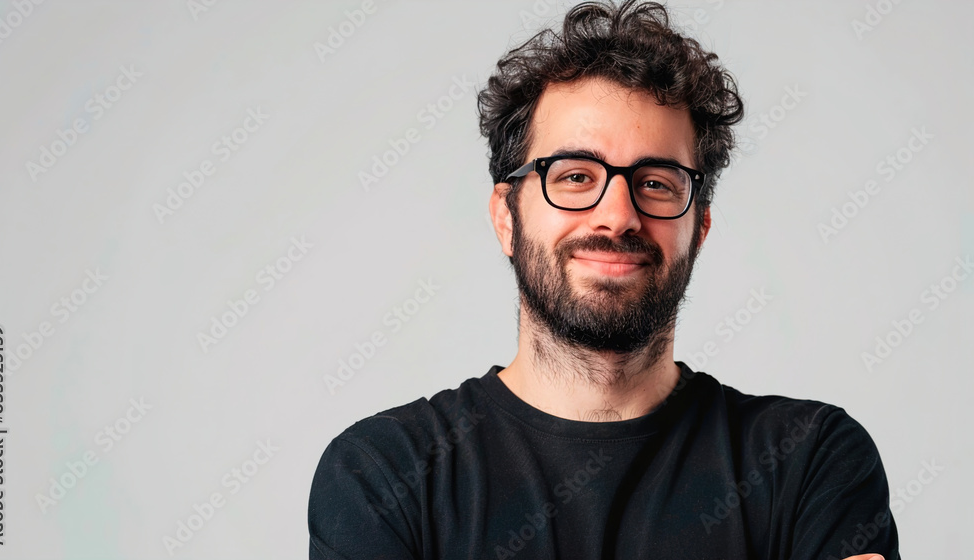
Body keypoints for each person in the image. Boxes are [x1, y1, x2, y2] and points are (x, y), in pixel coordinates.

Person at [308, 2, 900, 559]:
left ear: (700, 227)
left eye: (657, 182)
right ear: (504, 217)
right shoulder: (384, 474)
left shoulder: (810, 460)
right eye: (573, 176)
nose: (618, 215)